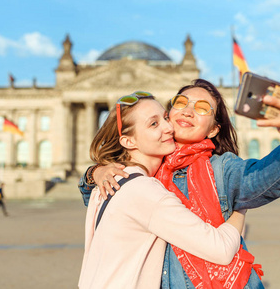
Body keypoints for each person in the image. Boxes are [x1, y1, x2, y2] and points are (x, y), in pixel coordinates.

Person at [79, 78, 280, 288]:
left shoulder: (222, 168)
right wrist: (95, 173)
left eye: (203, 108)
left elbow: (258, 178)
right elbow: (100, 200)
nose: (187, 111)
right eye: (181, 103)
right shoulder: (140, 172)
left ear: (214, 130)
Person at [79, 92, 247, 289]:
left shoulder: (107, 180)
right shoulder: (145, 191)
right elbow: (222, 249)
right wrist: (241, 203)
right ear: (128, 141)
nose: (169, 127)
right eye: (153, 124)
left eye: (165, 118)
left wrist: (94, 172)